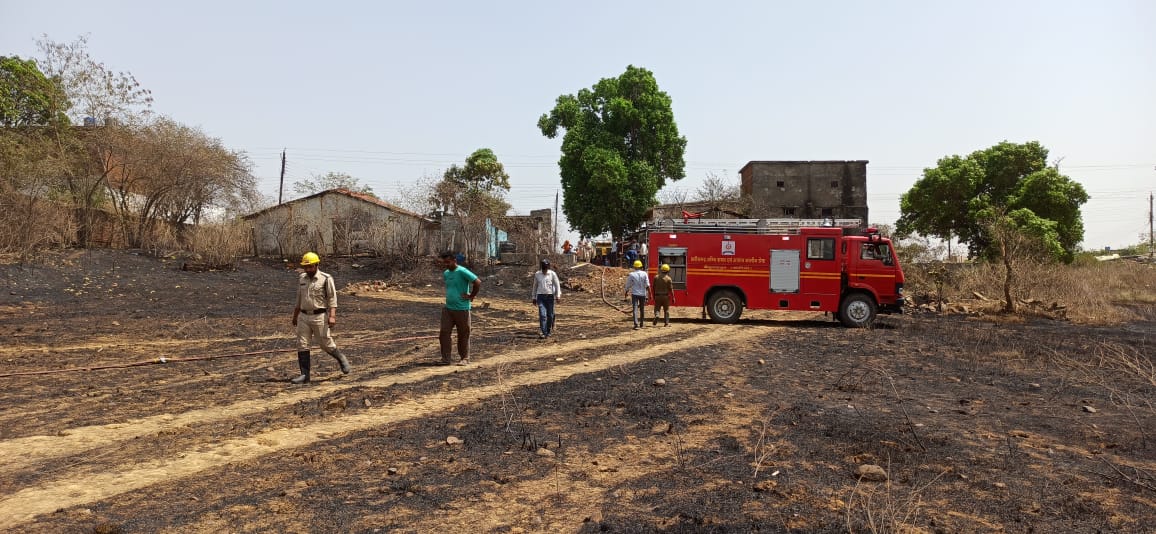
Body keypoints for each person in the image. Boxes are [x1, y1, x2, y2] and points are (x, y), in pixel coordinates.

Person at [290, 252, 352, 384]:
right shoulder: (302, 278)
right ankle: (304, 375)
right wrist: (295, 316)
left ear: (317, 265)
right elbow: (298, 299)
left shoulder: (326, 278)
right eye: (306, 267)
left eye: (310, 267)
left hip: (319, 316)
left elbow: (332, 298)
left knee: (325, 343)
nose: (308, 270)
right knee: (302, 345)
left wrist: (332, 316)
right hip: (303, 316)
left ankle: (341, 358)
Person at [439, 251, 481, 365]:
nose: (446, 264)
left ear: (454, 260)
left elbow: (477, 282)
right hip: (448, 308)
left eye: (448, 262)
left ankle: (465, 358)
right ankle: (446, 359)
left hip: (462, 308)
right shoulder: (446, 273)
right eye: (444, 263)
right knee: (444, 332)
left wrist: (471, 296)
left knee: (463, 333)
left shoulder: (462, 271)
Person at [531, 259, 562, 338]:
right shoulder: (537, 274)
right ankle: (543, 332)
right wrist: (534, 297)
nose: (545, 270)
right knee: (542, 315)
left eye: (546, 268)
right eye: (543, 268)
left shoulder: (552, 274)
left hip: (550, 297)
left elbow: (557, 285)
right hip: (540, 297)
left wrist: (558, 295)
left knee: (550, 315)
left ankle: (548, 330)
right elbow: (535, 286)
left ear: (548, 267)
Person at [623, 260, 651, 329]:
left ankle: (636, 324)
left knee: (635, 309)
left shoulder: (631, 274)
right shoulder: (644, 274)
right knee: (642, 309)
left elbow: (628, 285)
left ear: (634, 267)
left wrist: (626, 292)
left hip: (635, 294)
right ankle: (641, 324)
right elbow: (647, 285)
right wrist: (650, 294)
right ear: (641, 266)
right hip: (643, 294)